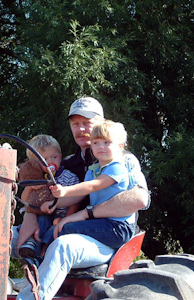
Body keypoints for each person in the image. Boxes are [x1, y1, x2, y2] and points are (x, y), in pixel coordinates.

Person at [16, 97, 149, 300]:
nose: (81, 129)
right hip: (65, 228)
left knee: (63, 245)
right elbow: (46, 195)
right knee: (6, 237)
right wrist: (30, 215)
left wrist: (86, 214)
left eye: (87, 123)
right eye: (75, 124)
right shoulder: (68, 163)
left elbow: (139, 199)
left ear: (101, 123)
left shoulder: (122, 159)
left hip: (107, 236)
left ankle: (31, 296)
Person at [49, 120, 135, 249]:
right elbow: (81, 194)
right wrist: (54, 204)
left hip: (118, 226)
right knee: (58, 225)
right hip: (101, 222)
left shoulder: (117, 167)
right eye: (96, 143)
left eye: (107, 142)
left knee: (67, 229)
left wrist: (65, 190)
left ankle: (45, 259)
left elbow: (93, 185)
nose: (101, 146)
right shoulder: (93, 170)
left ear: (120, 146)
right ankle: (37, 257)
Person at [13, 134, 80, 268]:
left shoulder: (68, 177)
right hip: (43, 215)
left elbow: (75, 201)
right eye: (44, 159)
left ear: (60, 157)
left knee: (54, 228)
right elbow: (27, 203)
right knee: (42, 221)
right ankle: (31, 244)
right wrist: (30, 188)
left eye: (54, 157)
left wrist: (66, 218)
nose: (50, 162)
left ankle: (40, 256)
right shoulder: (36, 179)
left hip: (61, 216)